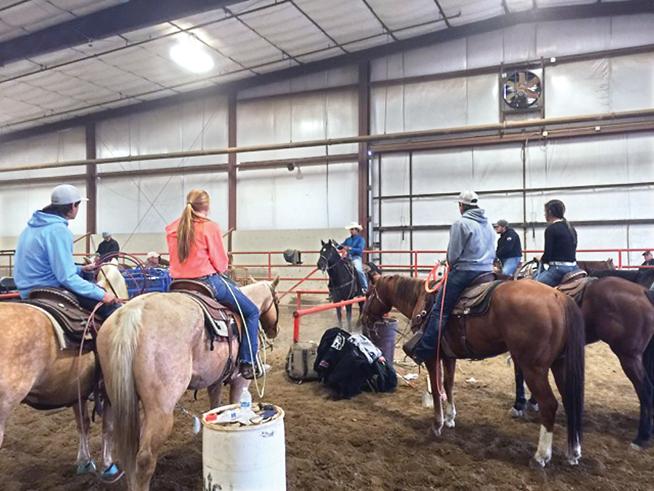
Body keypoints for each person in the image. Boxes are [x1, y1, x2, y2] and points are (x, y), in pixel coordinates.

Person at [165, 189, 262, 380]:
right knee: (251, 312)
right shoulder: (210, 227)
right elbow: (221, 264)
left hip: (178, 284)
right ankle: (248, 361)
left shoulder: (172, 228)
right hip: (206, 282)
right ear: (207, 206)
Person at [404, 191, 495, 364]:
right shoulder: (488, 224)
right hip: (487, 272)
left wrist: (448, 261)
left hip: (465, 272)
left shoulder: (461, 224)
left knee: (440, 309)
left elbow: (453, 256)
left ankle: (424, 350)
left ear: (461, 206)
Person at [14, 184, 120, 318]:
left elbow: (48, 266)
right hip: (49, 289)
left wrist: (80, 269)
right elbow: (67, 278)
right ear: (72, 206)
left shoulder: (30, 229)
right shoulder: (58, 230)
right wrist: (103, 295)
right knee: (113, 309)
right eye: (78, 205)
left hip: (26, 290)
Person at [534, 199, 580, 287]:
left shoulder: (551, 229)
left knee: (531, 286)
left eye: (545, 212)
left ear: (550, 212)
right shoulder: (571, 228)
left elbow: (547, 255)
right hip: (574, 268)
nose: (544, 215)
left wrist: (541, 258)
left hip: (558, 270)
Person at [340, 222, 368, 293]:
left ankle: (365, 287)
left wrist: (350, 248)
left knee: (359, 270)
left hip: (356, 258)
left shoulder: (361, 239)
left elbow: (360, 250)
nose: (351, 231)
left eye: (352, 229)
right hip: (347, 257)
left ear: (357, 230)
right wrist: (336, 245)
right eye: (350, 229)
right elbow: (341, 246)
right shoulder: (348, 239)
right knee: (337, 268)